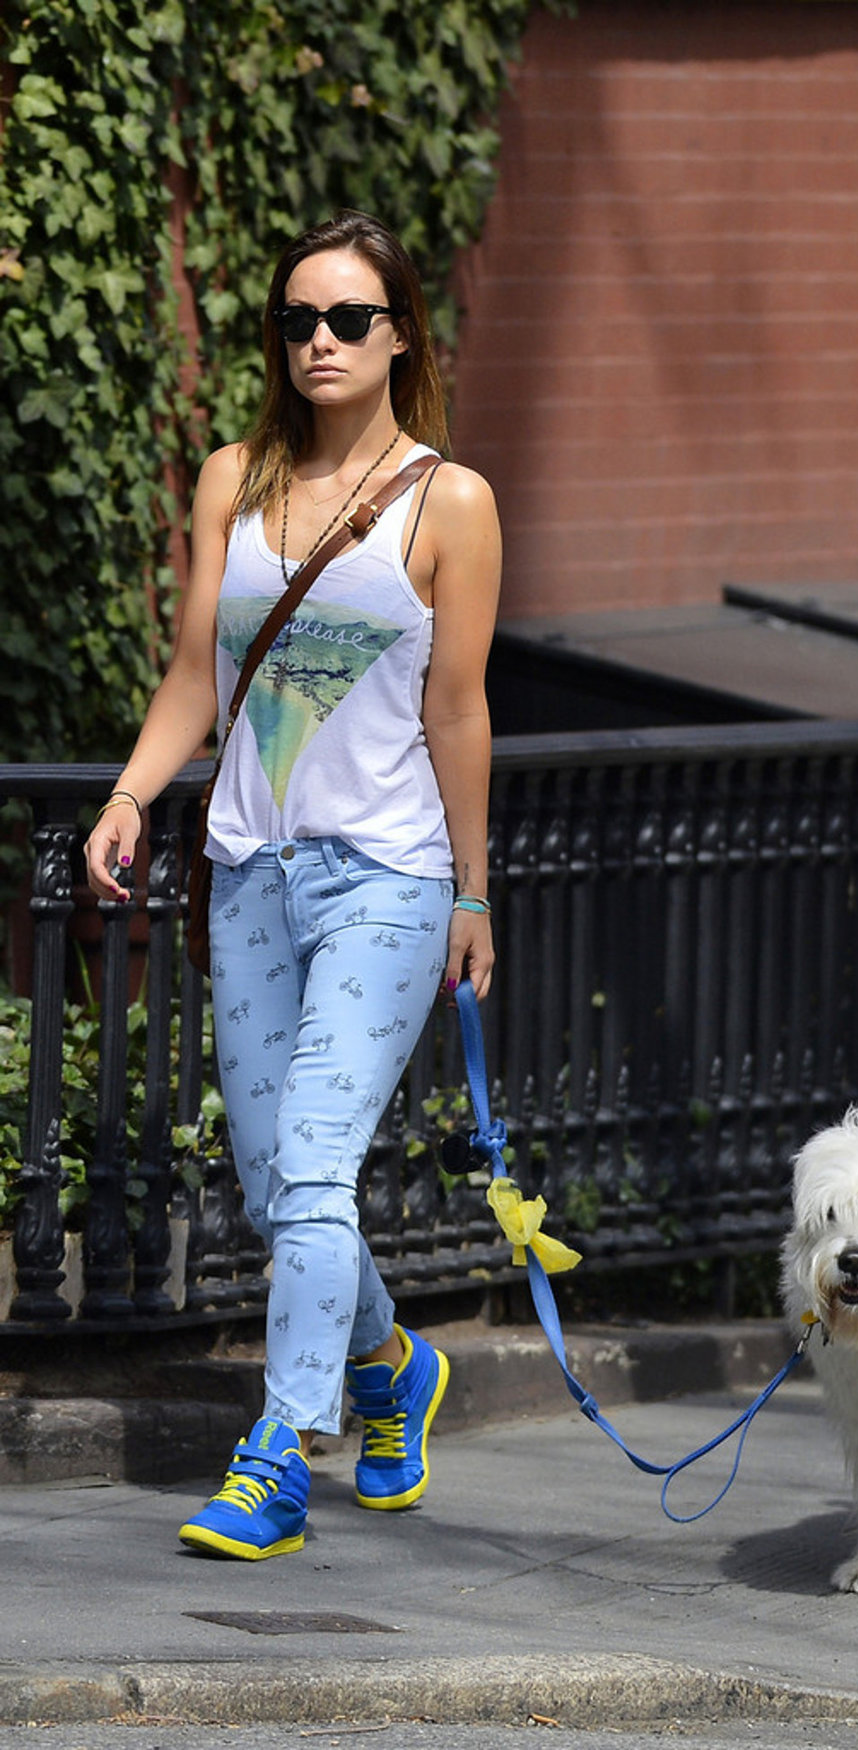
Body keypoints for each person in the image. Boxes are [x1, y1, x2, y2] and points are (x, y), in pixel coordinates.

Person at [85, 209, 501, 1560]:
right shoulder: (234, 478)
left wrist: (472, 894)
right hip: (249, 873)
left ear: (399, 337)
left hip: (384, 876)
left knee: (314, 1163)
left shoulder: (450, 501)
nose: (317, 340)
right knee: (275, 1190)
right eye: (296, 320)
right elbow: (199, 679)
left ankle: (278, 1450)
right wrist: (133, 791)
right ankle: (395, 1371)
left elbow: (457, 710)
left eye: (347, 319)